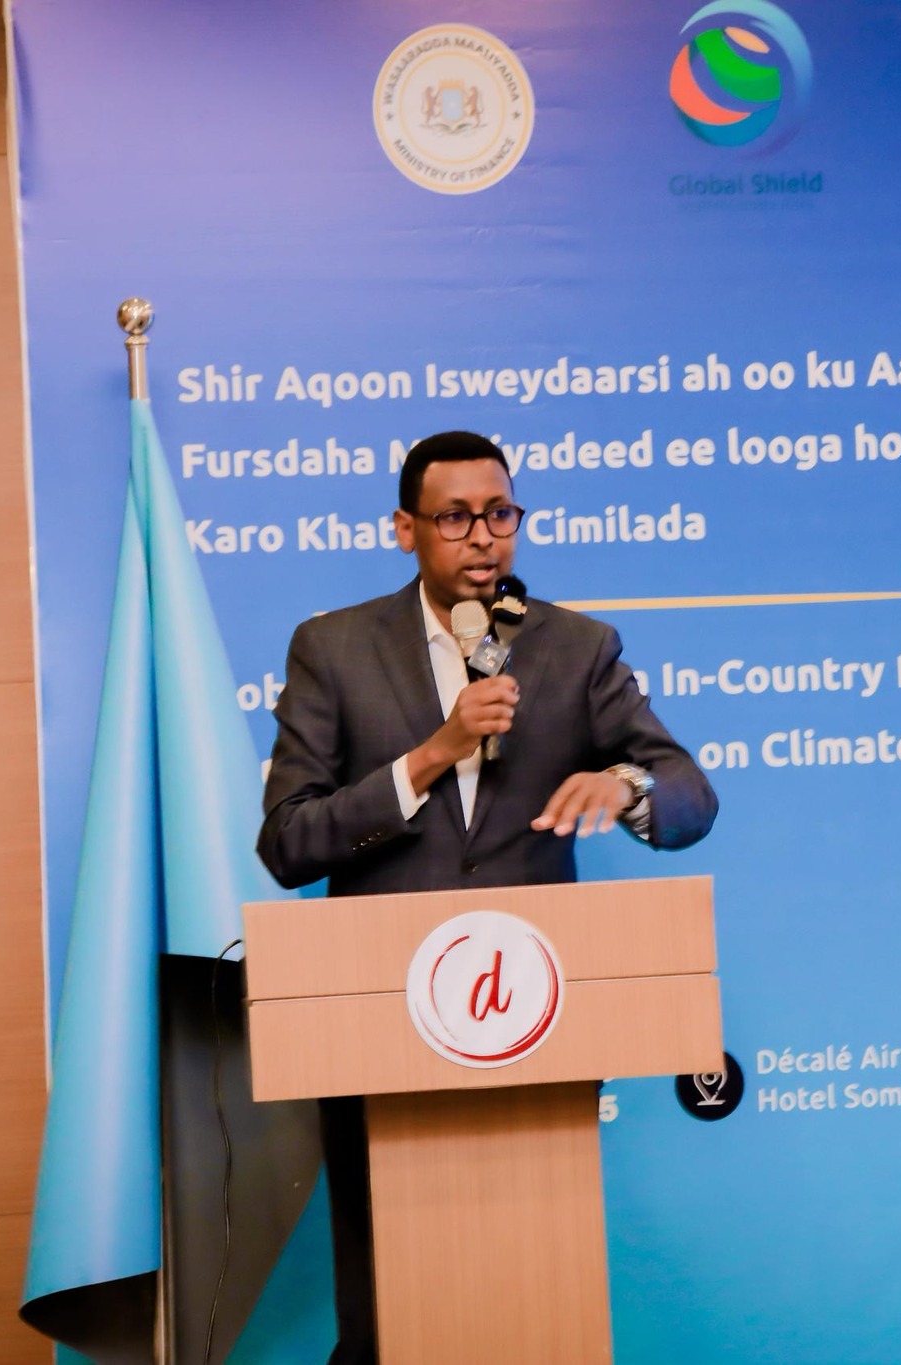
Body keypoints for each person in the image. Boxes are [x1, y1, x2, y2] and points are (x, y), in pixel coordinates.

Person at [257, 429, 718, 1364]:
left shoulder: (575, 647)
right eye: (456, 517)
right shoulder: (333, 649)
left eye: (500, 513)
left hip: (534, 1033)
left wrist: (624, 784)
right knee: (389, 1317)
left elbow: (690, 796)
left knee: (534, 1309)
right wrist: (433, 753)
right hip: (379, 1029)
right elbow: (288, 843)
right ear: (406, 529)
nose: (483, 537)